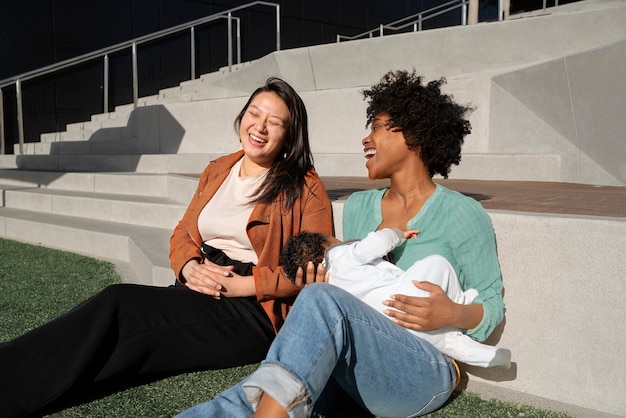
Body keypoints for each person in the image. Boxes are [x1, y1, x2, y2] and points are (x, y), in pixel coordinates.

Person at [177, 70, 506, 418]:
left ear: (414, 134)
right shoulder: (360, 207)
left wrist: (452, 313)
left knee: (311, 321)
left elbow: (491, 304)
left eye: (377, 127)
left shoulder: (461, 213)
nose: (366, 139)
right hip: (359, 355)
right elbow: (346, 288)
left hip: (426, 367)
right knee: (261, 391)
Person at [0, 77, 334, 418]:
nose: (259, 127)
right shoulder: (219, 169)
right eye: (254, 113)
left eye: (275, 123)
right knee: (126, 341)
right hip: (199, 282)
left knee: (120, 305)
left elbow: (316, 269)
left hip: (253, 308)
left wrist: (246, 285)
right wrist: (188, 265)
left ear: (290, 136)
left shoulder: (306, 187)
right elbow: (183, 233)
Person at [280, 228, 511, 369]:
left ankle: (474, 351)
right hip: (409, 298)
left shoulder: (331, 288)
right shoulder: (341, 255)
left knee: (448, 343)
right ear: (326, 245)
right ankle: (462, 301)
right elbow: (377, 243)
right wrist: (398, 234)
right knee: (435, 263)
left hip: (393, 330)